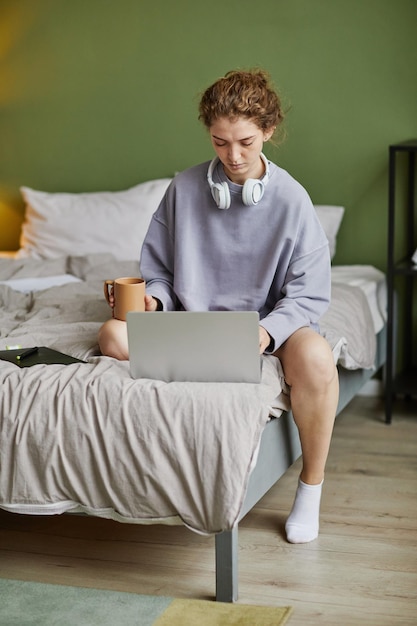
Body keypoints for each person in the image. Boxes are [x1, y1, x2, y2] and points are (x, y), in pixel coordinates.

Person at [98, 69, 339, 544]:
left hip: (272, 329)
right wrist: (155, 298)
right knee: (111, 335)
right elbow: (160, 271)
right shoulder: (184, 189)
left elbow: (309, 295)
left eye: (246, 142)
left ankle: (310, 490)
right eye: (220, 142)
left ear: (268, 130)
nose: (233, 156)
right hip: (196, 325)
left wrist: (267, 333)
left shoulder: (292, 199)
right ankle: (204, 362)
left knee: (316, 359)